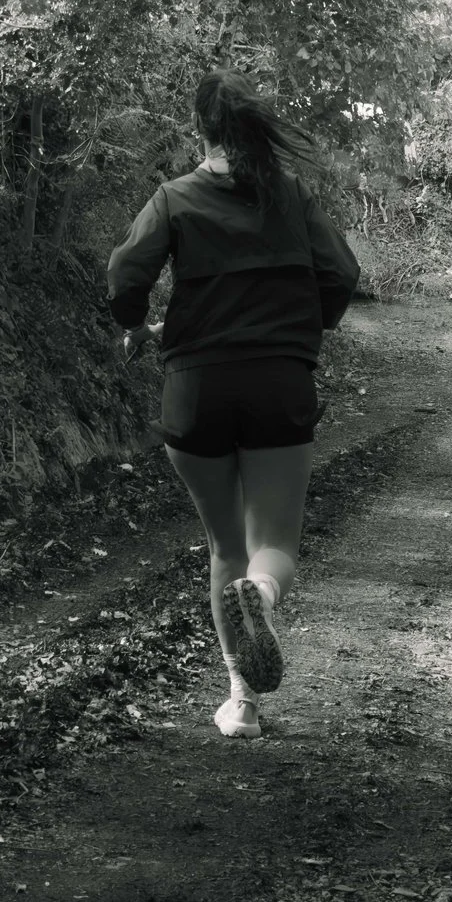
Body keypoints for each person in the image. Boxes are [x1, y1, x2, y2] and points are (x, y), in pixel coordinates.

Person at [106, 76, 362, 739]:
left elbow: (128, 273)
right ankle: (265, 596)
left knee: (224, 544)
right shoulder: (290, 196)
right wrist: (309, 323)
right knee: (271, 542)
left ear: (203, 132)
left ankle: (241, 702)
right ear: (252, 130)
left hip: (196, 389)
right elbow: (340, 274)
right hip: (278, 381)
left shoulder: (175, 198)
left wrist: (136, 324)